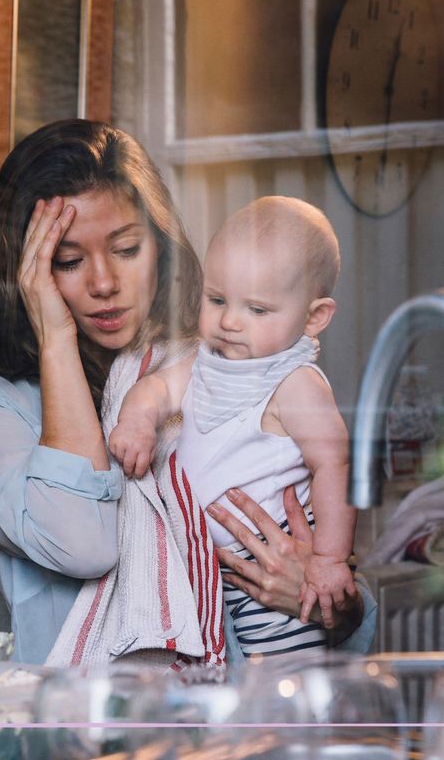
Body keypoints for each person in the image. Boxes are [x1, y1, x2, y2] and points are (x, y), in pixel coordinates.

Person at [0, 119, 373, 665]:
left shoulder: (216, 367)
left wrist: (327, 600)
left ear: (160, 249)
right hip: (87, 730)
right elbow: (83, 543)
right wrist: (56, 336)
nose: (104, 283)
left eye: (127, 249)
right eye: (66, 261)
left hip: (235, 714)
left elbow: (349, 611)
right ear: (24, 269)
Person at [108, 196, 357, 657]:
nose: (228, 322)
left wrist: (328, 559)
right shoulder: (208, 363)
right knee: (231, 684)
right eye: (217, 299)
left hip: (270, 564)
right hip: (212, 571)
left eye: (257, 310)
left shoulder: (294, 383)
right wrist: (138, 420)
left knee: (284, 683)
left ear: (314, 317)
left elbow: (336, 466)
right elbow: (159, 389)